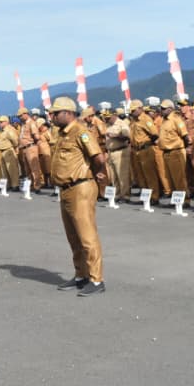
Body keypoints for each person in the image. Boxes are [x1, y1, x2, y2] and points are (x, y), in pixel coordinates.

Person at [49, 97, 106, 297]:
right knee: (73, 236)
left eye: (56, 113)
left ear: (68, 113)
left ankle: (96, 279)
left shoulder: (81, 132)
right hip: (65, 189)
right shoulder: (62, 133)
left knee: (86, 235)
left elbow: (98, 157)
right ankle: (81, 275)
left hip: (80, 187)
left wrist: (98, 174)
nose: (52, 117)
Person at [103, 106, 132, 202]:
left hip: (120, 151)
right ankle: (117, 194)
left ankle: (125, 195)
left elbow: (127, 136)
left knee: (122, 175)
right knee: (114, 175)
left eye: (108, 117)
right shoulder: (108, 125)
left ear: (114, 115)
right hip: (111, 152)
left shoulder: (121, 124)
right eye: (105, 117)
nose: (106, 119)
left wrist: (116, 136)